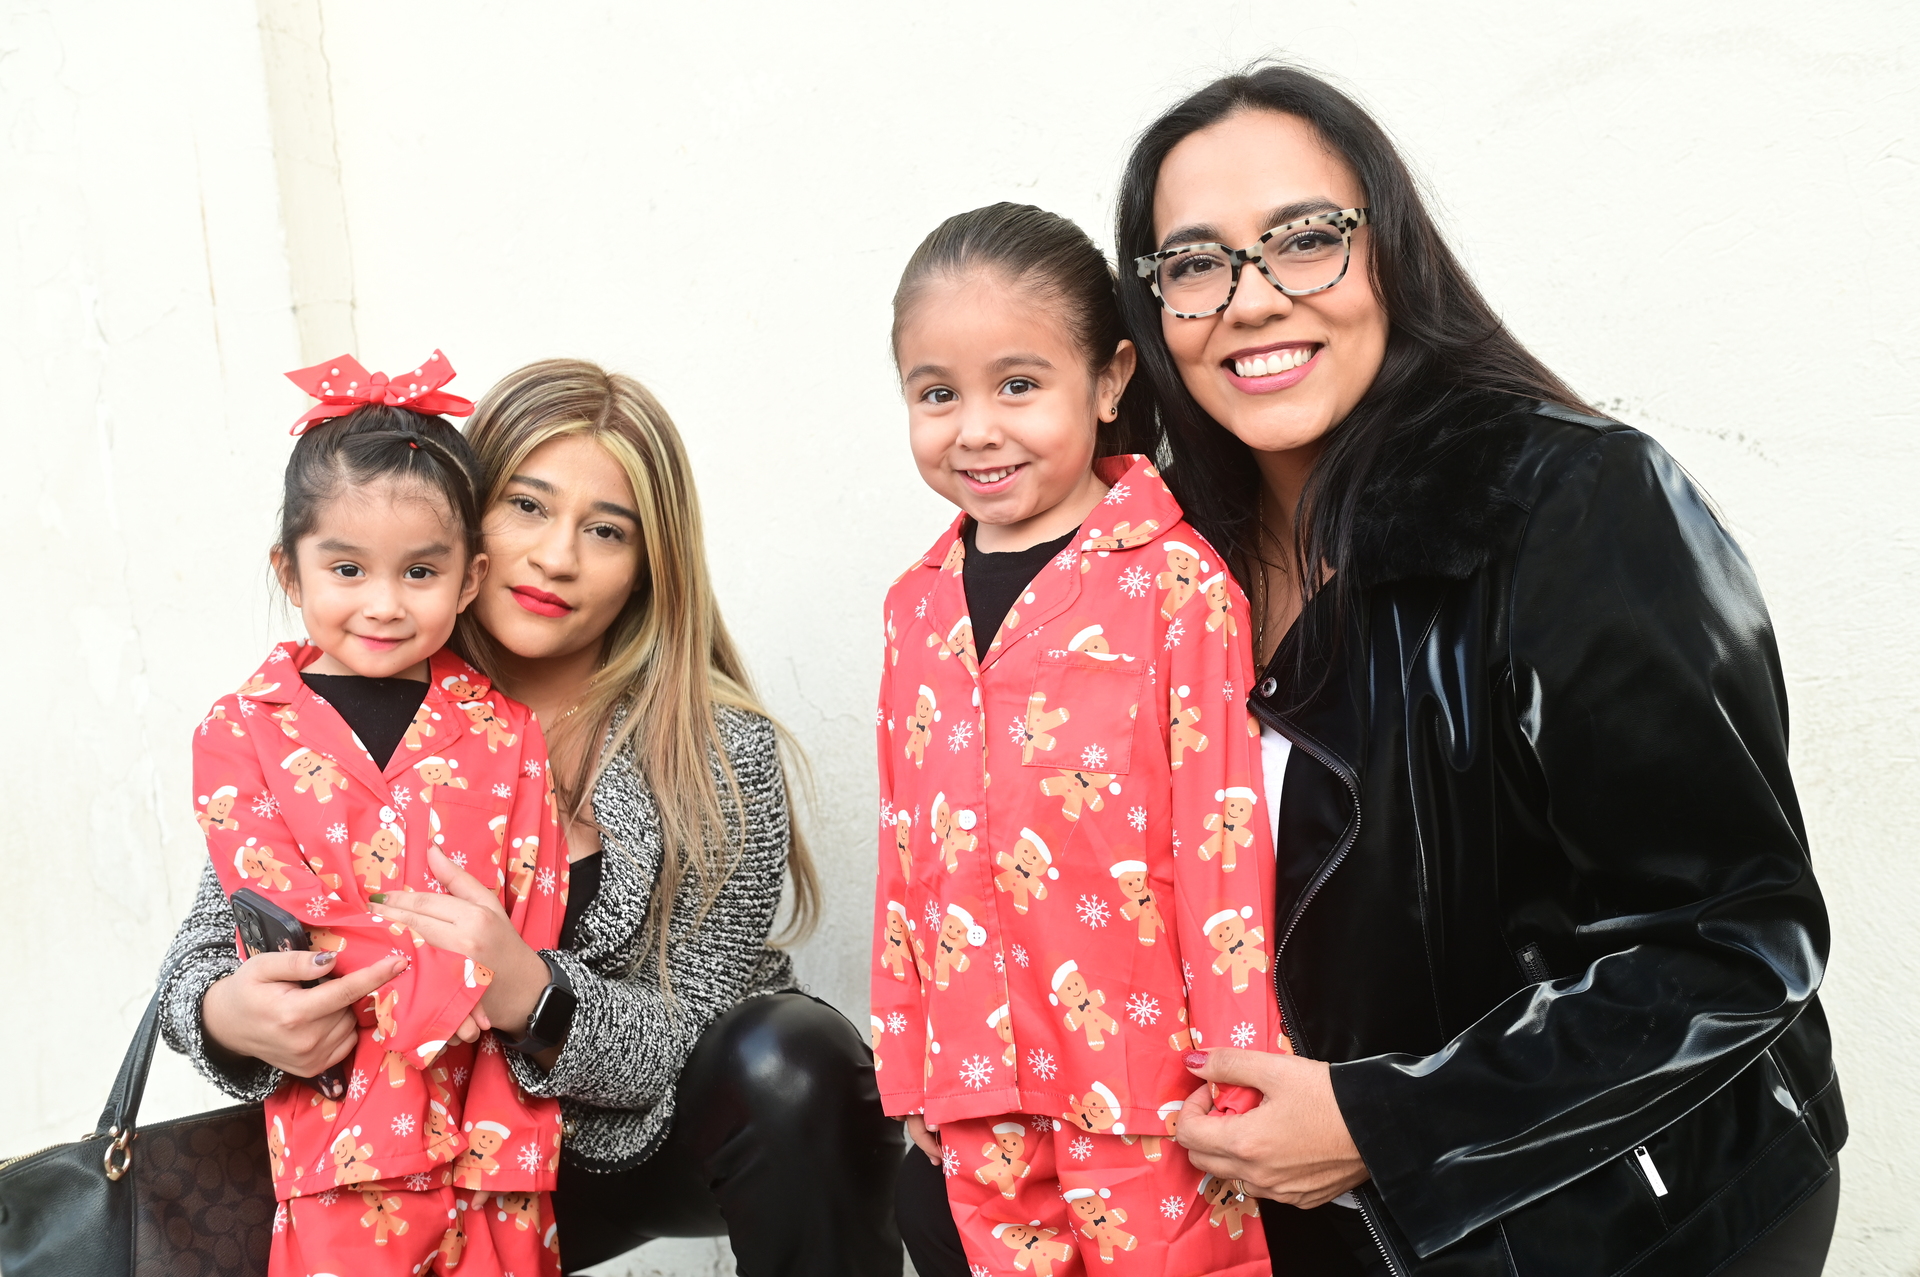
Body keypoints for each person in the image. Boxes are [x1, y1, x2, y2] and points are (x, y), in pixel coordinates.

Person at [1108, 64, 1845, 1275]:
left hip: (1622, 1218)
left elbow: (1731, 940)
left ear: (1389, 250)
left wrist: (1391, 1121)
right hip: (1307, 1221)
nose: (1251, 298)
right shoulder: (1160, 563)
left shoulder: (1579, 503)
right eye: (1194, 262)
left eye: (1304, 239)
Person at [158, 359, 905, 1277]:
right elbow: (205, 948)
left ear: (648, 564)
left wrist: (535, 999)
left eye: (606, 530)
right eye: (528, 506)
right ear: (467, 519)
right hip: (385, 1157)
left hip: (613, 1150)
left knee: (794, 1052)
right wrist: (230, 1016)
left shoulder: (713, 747)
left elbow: (702, 1024)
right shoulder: (329, 703)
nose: (557, 556)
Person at [876, 202, 1280, 1277]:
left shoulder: (1174, 582)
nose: (977, 427)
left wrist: (1244, 1077)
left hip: (1149, 1081)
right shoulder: (914, 607)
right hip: (972, 1081)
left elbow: (1223, 842)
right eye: (937, 393)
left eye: (1018, 384)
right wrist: (906, 1056)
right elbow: (902, 849)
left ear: (1105, 381)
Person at [192, 350, 568, 1277]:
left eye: (421, 571)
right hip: (338, 1130)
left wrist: (497, 971)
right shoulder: (240, 731)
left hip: (497, 1139)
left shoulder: (507, 729)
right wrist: (454, 978)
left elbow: (533, 905)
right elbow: (284, 927)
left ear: (470, 577)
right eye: (349, 568)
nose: (385, 603)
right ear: (291, 569)